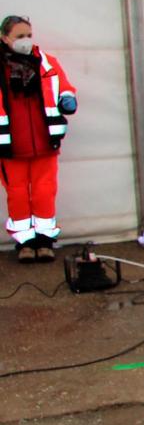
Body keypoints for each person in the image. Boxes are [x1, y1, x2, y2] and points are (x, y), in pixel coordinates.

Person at [0, 15, 76, 263]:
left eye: (29, 35)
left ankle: (44, 242)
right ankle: (25, 243)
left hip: (44, 143)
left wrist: (68, 98)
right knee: (18, 194)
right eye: (20, 36)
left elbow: (64, 85)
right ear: (4, 38)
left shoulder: (45, 62)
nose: (26, 40)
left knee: (44, 192)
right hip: (11, 146)